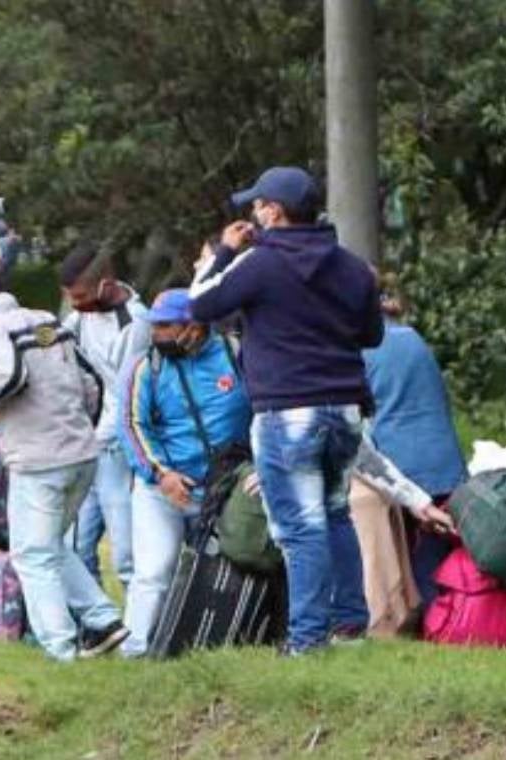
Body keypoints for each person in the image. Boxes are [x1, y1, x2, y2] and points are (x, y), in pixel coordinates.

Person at [188, 165, 385, 654]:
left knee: (301, 527)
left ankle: (306, 641)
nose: (252, 212)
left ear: (273, 211)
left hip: (288, 413)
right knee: (337, 514)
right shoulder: (353, 268)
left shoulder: (259, 263)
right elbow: (372, 335)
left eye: (257, 204)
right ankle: (350, 627)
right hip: (345, 410)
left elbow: (200, 306)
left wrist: (225, 252)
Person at [0, 255, 127, 661]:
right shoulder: (44, 320)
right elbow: (90, 382)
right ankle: (105, 621)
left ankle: (59, 649)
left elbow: (6, 379)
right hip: (81, 453)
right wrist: (80, 428)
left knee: (31, 555)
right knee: (51, 544)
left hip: (39, 459)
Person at [116, 289, 251, 658]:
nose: (157, 334)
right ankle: (135, 652)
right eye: (154, 326)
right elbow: (130, 424)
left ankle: (213, 645)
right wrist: (161, 474)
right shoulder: (145, 367)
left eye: (165, 326)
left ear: (194, 326)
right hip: (164, 489)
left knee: (229, 568)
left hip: (228, 487)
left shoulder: (235, 354)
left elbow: (262, 410)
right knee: (155, 569)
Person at [353, 283, 466, 633]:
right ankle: (453, 624)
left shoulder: (358, 352)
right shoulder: (410, 336)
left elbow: (356, 426)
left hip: (401, 465)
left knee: (418, 562)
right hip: (443, 459)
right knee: (440, 556)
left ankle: (432, 626)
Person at [59, 244, 151, 588]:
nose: (75, 303)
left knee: (126, 552)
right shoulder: (80, 317)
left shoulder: (135, 323)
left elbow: (126, 395)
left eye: (80, 295)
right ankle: (95, 625)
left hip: (118, 446)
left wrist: (95, 438)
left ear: (106, 284)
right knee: (77, 546)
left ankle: (143, 628)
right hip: (89, 444)